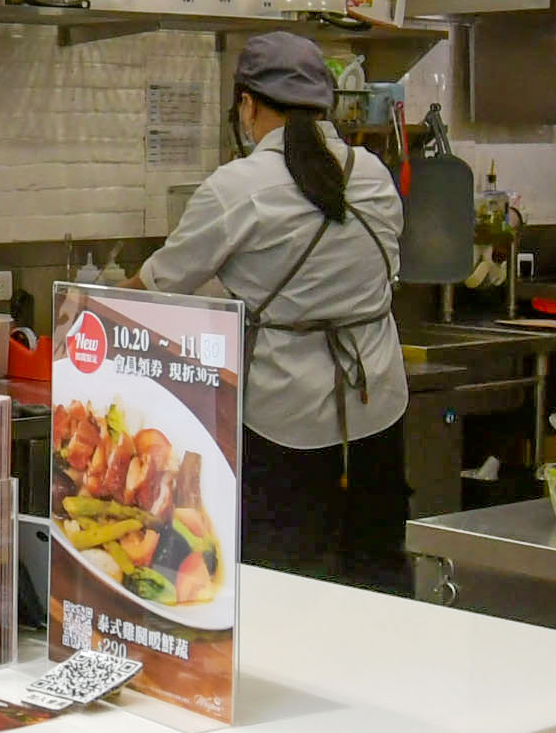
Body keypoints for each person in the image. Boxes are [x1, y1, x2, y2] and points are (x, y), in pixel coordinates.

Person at [141, 30, 410, 591]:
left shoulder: (237, 187)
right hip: (377, 409)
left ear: (247, 105)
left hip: (283, 419)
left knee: (284, 587)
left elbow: (155, 286)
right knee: (377, 577)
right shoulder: (373, 173)